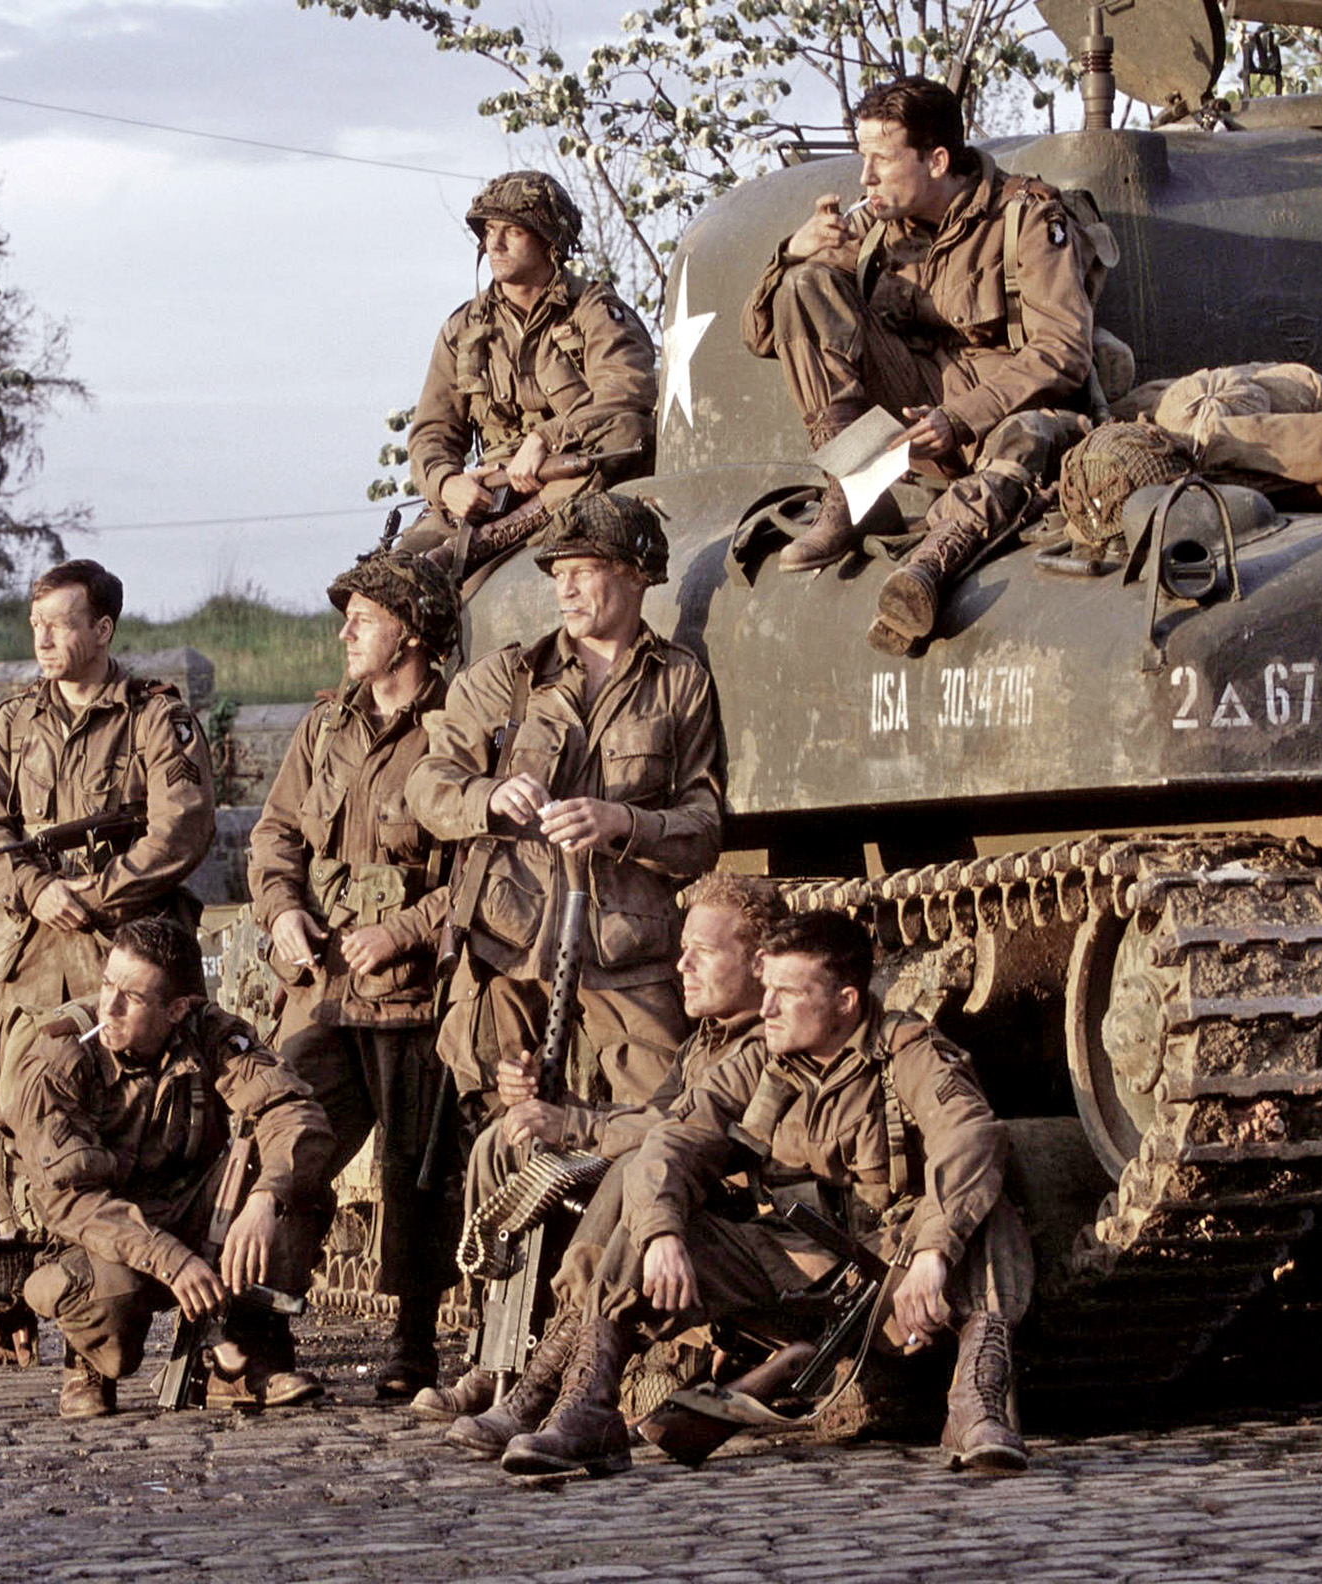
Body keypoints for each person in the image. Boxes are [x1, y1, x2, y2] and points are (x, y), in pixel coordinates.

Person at [489, 909, 1035, 1479]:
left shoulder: (907, 1051)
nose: (766, 1007)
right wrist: (662, 1234)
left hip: (883, 1277)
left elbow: (969, 1134)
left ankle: (976, 1404)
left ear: (846, 1001)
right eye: (766, 988)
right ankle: (590, 1409)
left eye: (786, 993)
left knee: (986, 1208)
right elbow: (673, 1141)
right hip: (779, 1267)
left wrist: (931, 1254)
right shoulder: (760, 1060)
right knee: (643, 1190)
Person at [402, 490, 726, 1416]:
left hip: (625, 955)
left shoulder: (679, 684)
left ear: (636, 577)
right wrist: (486, 798)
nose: (570, 589)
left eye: (588, 572)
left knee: (642, 1134)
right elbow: (432, 781)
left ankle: (618, 1356)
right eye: (561, 574)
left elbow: (704, 826)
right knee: (510, 1147)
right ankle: (495, 1360)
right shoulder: (510, 676)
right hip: (516, 950)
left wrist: (623, 820)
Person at [743, 75, 1103, 652]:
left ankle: (936, 558)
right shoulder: (873, 225)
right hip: (910, 416)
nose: (865, 178)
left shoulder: (1026, 217)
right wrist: (791, 253)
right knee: (804, 287)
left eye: (881, 160)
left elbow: (1062, 349)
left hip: (1000, 415)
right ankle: (855, 488)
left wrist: (959, 417)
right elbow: (764, 335)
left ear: (936, 160)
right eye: (863, 159)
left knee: (1029, 436)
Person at [437, 871, 783, 1454]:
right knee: (520, 1143)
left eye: (702, 953)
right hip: (713, 1218)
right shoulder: (709, 1039)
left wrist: (576, 1125)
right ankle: (542, 1381)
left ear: (760, 965)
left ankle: (560, 1392)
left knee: (636, 1171)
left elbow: (679, 1134)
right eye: (682, 951)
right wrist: (566, 1108)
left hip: (758, 1235)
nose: (682, 968)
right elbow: (658, 1113)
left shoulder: (765, 1047)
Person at [244, 547, 464, 1399]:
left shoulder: (459, 731)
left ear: (409, 633)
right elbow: (274, 837)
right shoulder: (325, 729)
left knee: (418, 1177)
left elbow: (487, 867)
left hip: (412, 1003)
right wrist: (282, 911)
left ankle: (412, 1343)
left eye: (362, 618)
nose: (345, 632)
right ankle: (259, 1329)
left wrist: (406, 929)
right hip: (323, 998)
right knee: (283, 1149)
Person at [0, 917, 335, 1419]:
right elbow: (69, 1197)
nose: (107, 1007)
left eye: (129, 997)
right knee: (114, 1293)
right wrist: (168, 1258)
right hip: (94, 1229)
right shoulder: (62, 1055)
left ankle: (243, 1357)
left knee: (295, 1188)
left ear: (177, 1009)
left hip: (182, 1206)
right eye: (107, 983)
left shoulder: (208, 1032)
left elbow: (294, 1112)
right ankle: (86, 1363)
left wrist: (266, 1198)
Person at [0, 559, 217, 1122]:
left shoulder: (155, 718)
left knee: (133, 1121)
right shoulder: (11, 723)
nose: (43, 639)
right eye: (35, 624)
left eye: (60, 624)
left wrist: (92, 896)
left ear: (102, 629)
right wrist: (35, 890)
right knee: (20, 1120)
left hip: (124, 965)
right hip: (30, 967)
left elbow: (182, 830)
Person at [401, 171, 659, 576]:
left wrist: (546, 438)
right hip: (492, 491)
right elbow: (431, 433)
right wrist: (447, 483)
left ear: (548, 241)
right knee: (392, 574)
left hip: (571, 468)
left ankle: (485, 544)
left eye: (513, 231)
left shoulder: (593, 310)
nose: (495, 244)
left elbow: (628, 388)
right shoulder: (464, 328)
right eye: (489, 231)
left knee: (628, 433)